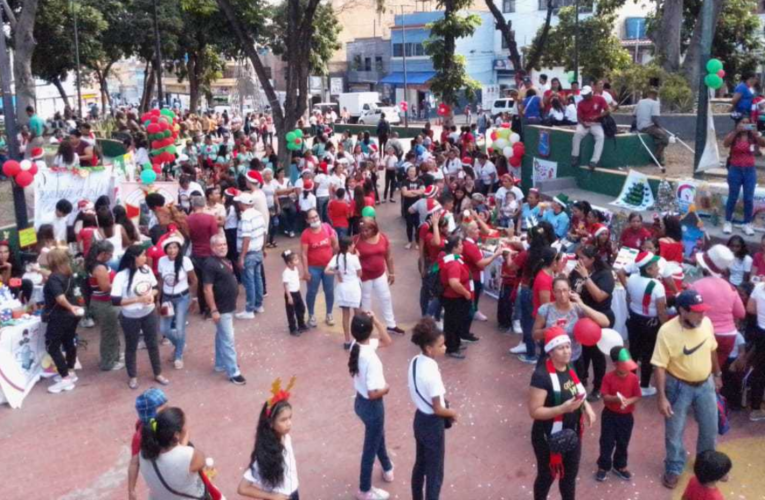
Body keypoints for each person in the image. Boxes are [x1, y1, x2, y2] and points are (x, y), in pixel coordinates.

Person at [651, 290, 722, 490]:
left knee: (710, 428)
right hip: (678, 387)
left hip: (706, 384)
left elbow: (712, 348)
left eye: (703, 311)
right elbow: (659, 366)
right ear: (682, 311)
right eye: (697, 312)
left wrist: (717, 375)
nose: (702, 315)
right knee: (674, 430)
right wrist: (662, 397)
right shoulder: (666, 331)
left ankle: (707, 466)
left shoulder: (706, 323)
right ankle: (674, 467)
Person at [528, 326, 596, 500]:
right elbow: (534, 411)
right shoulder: (541, 376)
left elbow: (576, 388)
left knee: (569, 477)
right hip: (547, 436)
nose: (567, 351)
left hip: (572, 432)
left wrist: (586, 405)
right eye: (561, 348)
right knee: (547, 476)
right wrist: (562, 409)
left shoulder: (568, 366)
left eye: (568, 346)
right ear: (550, 352)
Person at [408, 318, 458, 500]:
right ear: (429, 348)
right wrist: (452, 413)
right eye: (441, 345)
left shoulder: (415, 361)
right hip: (432, 424)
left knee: (420, 465)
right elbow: (438, 409)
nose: (444, 348)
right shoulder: (432, 373)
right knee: (435, 472)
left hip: (419, 419)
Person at [348, 313, 394, 500]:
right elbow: (373, 393)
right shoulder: (371, 359)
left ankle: (387, 467)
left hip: (360, 403)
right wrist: (386, 389)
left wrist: (373, 320)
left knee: (377, 436)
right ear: (370, 330)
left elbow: (386, 340)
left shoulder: (356, 346)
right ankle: (364, 489)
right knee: (370, 448)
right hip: (372, 405)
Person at [112, 245, 169, 390]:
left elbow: (156, 287)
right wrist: (137, 300)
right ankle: (132, 376)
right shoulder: (121, 276)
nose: (145, 258)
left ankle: (158, 372)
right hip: (130, 316)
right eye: (143, 255)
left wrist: (151, 295)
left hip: (148, 313)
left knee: (152, 344)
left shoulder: (147, 270)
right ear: (134, 258)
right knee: (131, 346)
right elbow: (116, 300)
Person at [532, 276, 610, 371]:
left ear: (570, 291)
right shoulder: (546, 309)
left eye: (565, 290)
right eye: (558, 291)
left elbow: (605, 322)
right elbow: (534, 334)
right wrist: (549, 330)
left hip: (574, 358)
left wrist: (581, 304)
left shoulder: (577, 308)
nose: (562, 294)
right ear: (553, 292)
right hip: (551, 358)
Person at [569, 245, 615, 400]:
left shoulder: (605, 274)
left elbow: (600, 296)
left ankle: (598, 387)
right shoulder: (576, 270)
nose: (579, 261)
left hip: (599, 317)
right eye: (578, 257)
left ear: (592, 259)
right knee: (582, 352)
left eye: (582, 258)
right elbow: (570, 286)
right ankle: (581, 380)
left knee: (596, 353)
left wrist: (586, 277)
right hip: (581, 317)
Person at [238, 384, 299, 499]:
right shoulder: (265, 455)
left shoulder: (286, 437)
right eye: (283, 420)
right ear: (270, 423)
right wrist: (273, 497)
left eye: (290, 417)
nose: (289, 423)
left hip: (293, 492)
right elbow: (243, 488)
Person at [691, 245, 745, 367]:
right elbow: (741, 313)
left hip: (705, 333)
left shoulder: (697, 285)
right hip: (728, 336)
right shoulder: (731, 288)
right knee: (716, 370)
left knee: (698, 369)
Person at [138, 407, 208, 499]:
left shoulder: (143, 453)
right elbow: (201, 461)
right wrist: (183, 443)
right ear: (176, 435)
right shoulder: (187, 455)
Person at [595, 347, 641, 482]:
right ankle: (603, 466)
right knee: (606, 441)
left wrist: (628, 401)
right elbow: (604, 396)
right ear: (615, 365)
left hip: (626, 416)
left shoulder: (633, 378)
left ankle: (620, 465)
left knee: (623, 442)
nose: (626, 371)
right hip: (609, 415)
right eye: (623, 369)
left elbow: (637, 396)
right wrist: (616, 399)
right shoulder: (608, 377)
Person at [626, 251, 668, 395]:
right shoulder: (657, 285)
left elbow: (628, 296)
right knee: (648, 354)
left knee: (633, 351)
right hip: (650, 323)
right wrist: (665, 327)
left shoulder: (631, 278)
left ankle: (629, 381)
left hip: (634, 318)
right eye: (655, 266)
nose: (658, 268)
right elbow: (661, 310)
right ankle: (644, 385)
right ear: (648, 269)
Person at [43, 249, 83, 394]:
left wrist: (70, 307)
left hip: (60, 316)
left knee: (52, 346)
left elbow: (60, 298)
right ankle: (70, 371)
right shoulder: (68, 274)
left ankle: (65, 378)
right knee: (69, 341)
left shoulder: (54, 278)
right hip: (72, 316)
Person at [355, 217, 404, 335]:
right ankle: (366, 326)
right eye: (362, 230)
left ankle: (391, 325)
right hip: (365, 276)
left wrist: (391, 273)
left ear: (374, 229)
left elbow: (388, 256)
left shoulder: (382, 238)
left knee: (386, 297)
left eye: (367, 230)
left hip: (380, 274)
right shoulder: (356, 240)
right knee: (366, 300)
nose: (364, 233)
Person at [157, 236, 197, 370]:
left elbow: (194, 280)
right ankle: (179, 344)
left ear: (179, 249)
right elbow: (161, 281)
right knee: (164, 329)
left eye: (175, 247)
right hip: (167, 298)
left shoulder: (185, 261)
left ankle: (178, 355)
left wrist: (194, 298)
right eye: (169, 247)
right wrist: (159, 299)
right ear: (165, 249)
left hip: (182, 298)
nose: (172, 250)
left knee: (180, 328)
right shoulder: (162, 261)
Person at [722, 117, 765, 236]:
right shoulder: (734, 136)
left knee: (748, 198)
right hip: (735, 169)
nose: (745, 125)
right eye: (743, 122)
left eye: (747, 123)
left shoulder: (752, 137)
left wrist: (756, 134)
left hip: (750, 170)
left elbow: (763, 144)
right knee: (732, 196)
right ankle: (727, 221)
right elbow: (725, 144)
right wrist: (736, 131)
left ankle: (747, 223)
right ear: (738, 123)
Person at [86, 240, 124, 372]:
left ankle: (115, 356)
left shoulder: (96, 265)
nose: (111, 257)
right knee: (109, 333)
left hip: (104, 302)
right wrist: (120, 285)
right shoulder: (100, 268)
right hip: (104, 303)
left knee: (112, 331)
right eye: (110, 254)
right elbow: (105, 287)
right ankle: (108, 362)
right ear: (103, 254)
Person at [300, 208, 338, 327]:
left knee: (329, 291)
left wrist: (335, 262)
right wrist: (306, 271)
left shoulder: (326, 228)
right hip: (313, 268)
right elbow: (304, 254)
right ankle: (311, 315)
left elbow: (335, 245)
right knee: (311, 292)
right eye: (312, 217)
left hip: (328, 267)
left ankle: (329, 314)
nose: (315, 219)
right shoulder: (306, 234)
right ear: (307, 220)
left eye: (316, 216)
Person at [439, 235, 473, 359]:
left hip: (455, 297)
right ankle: (451, 347)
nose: (462, 246)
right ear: (454, 248)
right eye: (460, 245)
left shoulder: (454, 259)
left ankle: (456, 343)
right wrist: (466, 293)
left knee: (455, 321)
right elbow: (454, 283)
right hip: (454, 298)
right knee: (452, 322)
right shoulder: (453, 263)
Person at [326, 236, 362, 349]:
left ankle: (347, 340)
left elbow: (326, 270)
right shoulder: (354, 258)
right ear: (348, 246)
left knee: (345, 315)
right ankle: (358, 339)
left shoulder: (336, 257)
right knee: (357, 315)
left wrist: (337, 272)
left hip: (342, 288)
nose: (354, 246)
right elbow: (359, 273)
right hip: (354, 288)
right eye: (352, 245)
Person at [235, 192, 267, 319]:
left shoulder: (246, 217)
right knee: (257, 279)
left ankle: (249, 309)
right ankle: (258, 305)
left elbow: (246, 238)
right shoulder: (258, 214)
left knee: (249, 281)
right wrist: (263, 248)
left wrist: (242, 256)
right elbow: (264, 233)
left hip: (249, 253)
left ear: (242, 204)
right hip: (258, 251)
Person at [187, 195, 219, 318]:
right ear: (204, 204)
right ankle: (212, 306)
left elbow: (187, 236)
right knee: (210, 281)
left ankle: (203, 308)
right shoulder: (210, 218)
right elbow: (214, 236)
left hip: (195, 253)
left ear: (193, 205)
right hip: (209, 253)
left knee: (199, 281)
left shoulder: (188, 219)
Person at [571, 86, 609, 170]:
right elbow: (578, 117)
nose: (584, 96)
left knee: (600, 137)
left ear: (591, 93)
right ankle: (574, 155)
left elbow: (607, 110)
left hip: (596, 123)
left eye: (586, 95)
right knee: (577, 134)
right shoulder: (580, 103)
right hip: (584, 123)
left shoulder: (600, 99)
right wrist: (583, 123)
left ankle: (594, 160)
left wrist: (598, 116)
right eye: (583, 95)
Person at [634, 88, 669, 168]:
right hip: (647, 127)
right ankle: (655, 157)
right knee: (664, 138)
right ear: (654, 95)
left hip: (639, 126)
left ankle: (660, 158)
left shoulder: (640, 102)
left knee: (660, 134)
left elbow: (634, 115)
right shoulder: (655, 103)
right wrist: (660, 126)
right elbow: (654, 118)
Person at [282, 249, 307, 337]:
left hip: (297, 292)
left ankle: (301, 324)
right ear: (289, 263)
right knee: (291, 312)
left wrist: (301, 278)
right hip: (291, 294)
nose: (298, 261)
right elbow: (285, 285)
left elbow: (295, 278)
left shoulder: (295, 269)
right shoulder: (286, 273)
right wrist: (289, 297)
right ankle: (292, 328)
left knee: (301, 308)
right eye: (295, 260)